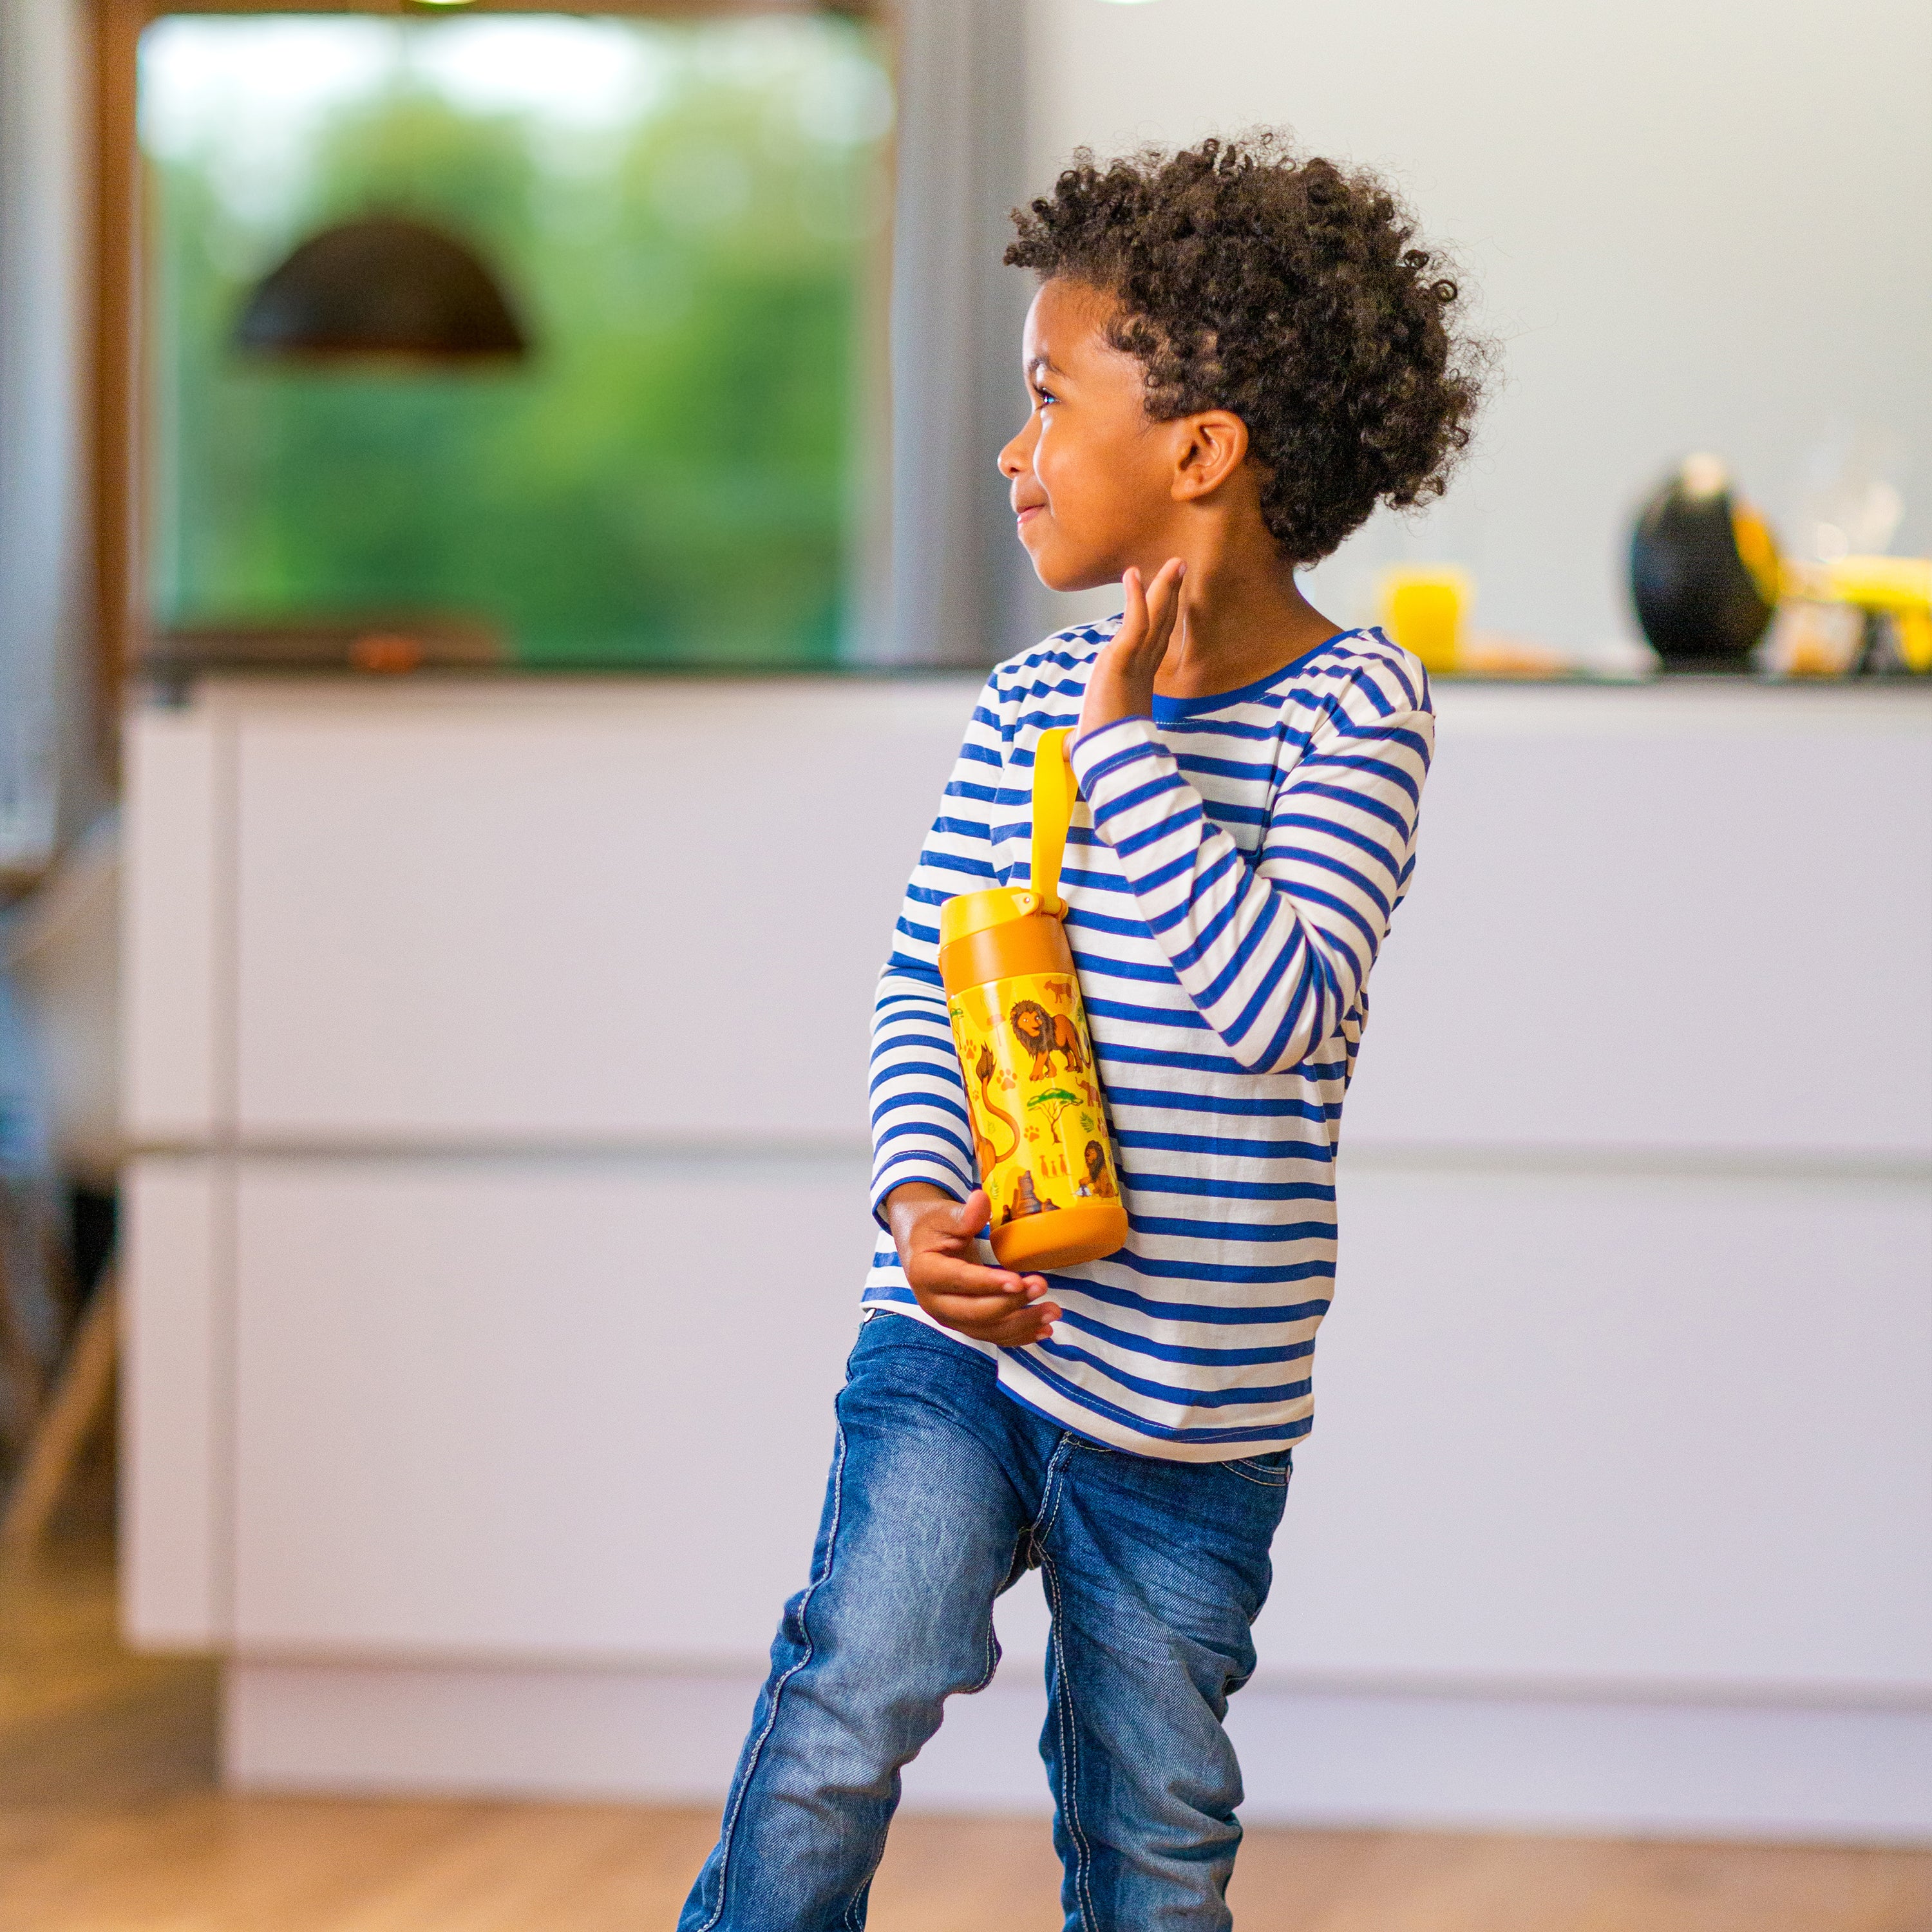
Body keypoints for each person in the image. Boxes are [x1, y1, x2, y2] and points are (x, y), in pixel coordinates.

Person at [679, 133, 1483, 1931]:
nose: (1011, 449)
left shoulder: (1358, 714)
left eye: (1049, 400)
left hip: (1194, 1396)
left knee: (1154, 1826)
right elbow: (924, 986)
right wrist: (914, 1207)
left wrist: (1126, 748)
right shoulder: (1023, 700)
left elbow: (1278, 1007)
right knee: (837, 1711)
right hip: (963, 1343)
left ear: (1200, 452)